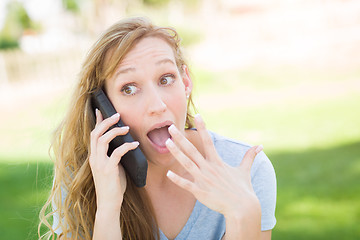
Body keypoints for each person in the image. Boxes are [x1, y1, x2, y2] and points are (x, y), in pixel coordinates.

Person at [38, 17, 276, 240]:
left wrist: (244, 213)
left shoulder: (246, 170)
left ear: (185, 83)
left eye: (165, 79)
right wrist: (108, 209)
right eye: (129, 88)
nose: (157, 105)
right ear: (103, 106)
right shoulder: (85, 178)